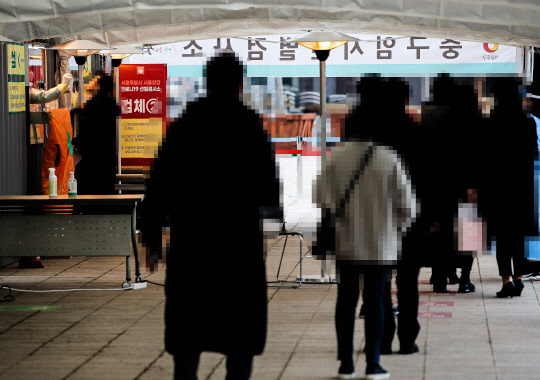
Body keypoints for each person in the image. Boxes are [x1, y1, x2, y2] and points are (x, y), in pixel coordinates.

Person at [140, 53, 281, 380]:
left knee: (187, 338)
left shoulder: (185, 126)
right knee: (239, 340)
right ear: (239, 84)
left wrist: (151, 239)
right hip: (238, 248)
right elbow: (269, 192)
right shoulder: (250, 126)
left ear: (206, 81)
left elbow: (158, 185)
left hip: (192, 246)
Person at [317, 76, 417, 380]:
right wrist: (394, 229)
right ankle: (373, 363)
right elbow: (408, 208)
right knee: (376, 303)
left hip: (347, 242)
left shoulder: (336, 159)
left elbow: (323, 201)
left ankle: (346, 364)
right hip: (381, 244)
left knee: (345, 301)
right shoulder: (389, 159)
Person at [478, 77, 538, 298]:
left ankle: (507, 281)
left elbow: (484, 156)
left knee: (503, 237)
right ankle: (520, 277)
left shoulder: (491, 120)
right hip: (522, 186)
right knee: (519, 235)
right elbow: (534, 152)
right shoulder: (528, 121)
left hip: (498, 187)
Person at [73, 72, 118, 195]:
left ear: (99, 86)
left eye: (95, 81)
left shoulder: (91, 107)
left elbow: (85, 138)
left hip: (91, 164)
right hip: (107, 163)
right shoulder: (113, 106)